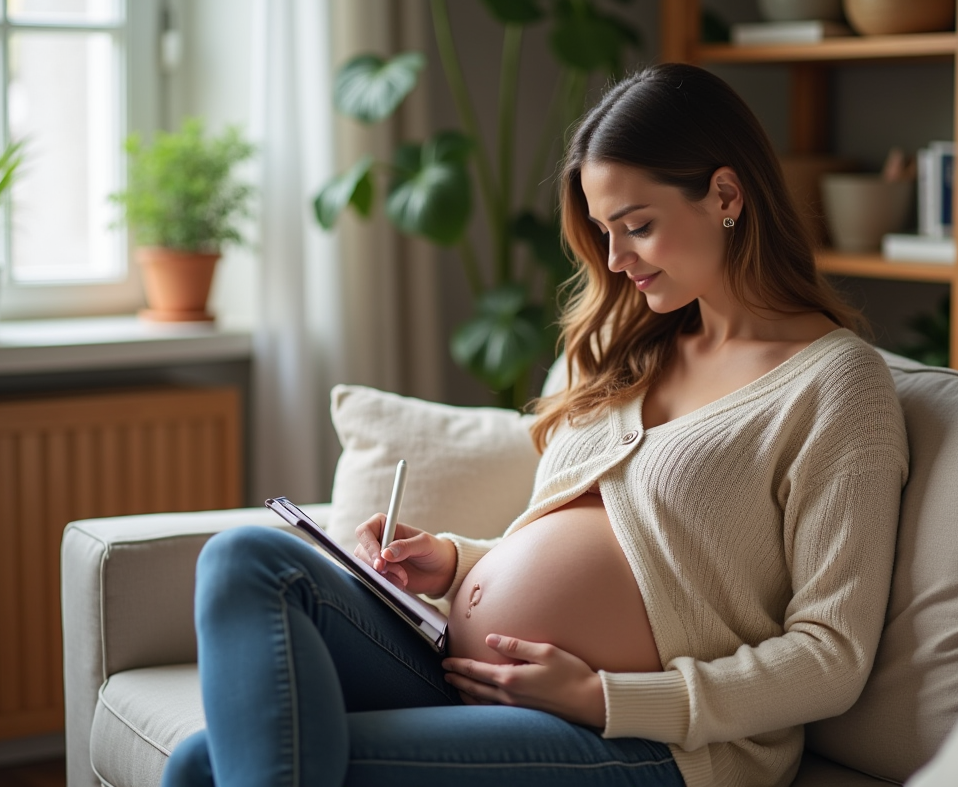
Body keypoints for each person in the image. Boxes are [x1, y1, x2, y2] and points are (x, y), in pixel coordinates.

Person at [162, 62, 908, 787]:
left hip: (648, 743)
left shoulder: (836, 385)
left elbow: (830, 655)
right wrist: (455, 562)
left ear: (724, 195)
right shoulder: (631, 344)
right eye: (604, 231)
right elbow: (595, 537)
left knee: (204, 769)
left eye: (637, 226)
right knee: (245, 559)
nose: (616, 259)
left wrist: (604, 698)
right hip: (463, 667)